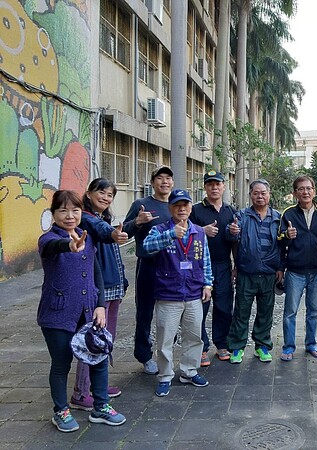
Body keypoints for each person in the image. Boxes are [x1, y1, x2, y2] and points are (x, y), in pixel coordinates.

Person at [38, 190, 126, 433]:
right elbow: (53, 247)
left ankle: (101, 406)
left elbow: (96, 272)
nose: (70, 215)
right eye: (63, 211)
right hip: (57, 314)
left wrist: (100, 305)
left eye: (75, 210)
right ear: (53, 214)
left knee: (98, 357)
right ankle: (61, 411)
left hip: (88, 312)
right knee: (61, 363)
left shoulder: (86, 237)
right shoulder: (47, 240)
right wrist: (68, 244)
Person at [143, 188, 213, 397]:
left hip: (193, 293)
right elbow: (147, 247)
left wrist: (208, 284)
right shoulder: (160, 229)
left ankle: (189, 371)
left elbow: (206, 261)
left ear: (191, 208)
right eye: (177, 205)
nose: (181, 209)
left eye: (185, 205)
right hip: (168, 294)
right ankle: (165, 376)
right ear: (170, 207)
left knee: (194, 337)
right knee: (165, 339)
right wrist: (171, 235)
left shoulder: (199, 232)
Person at [70, 178, 129, 411]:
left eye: (110, 195)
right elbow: (103, 232)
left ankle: (98, 387)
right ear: (89, 193)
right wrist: (113, 233)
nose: (105, 198)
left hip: (113, 287)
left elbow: (112, 237)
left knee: (104, 341)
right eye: (101, 193)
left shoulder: (104, 218)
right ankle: (80, 393)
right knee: (91, 342)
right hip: (97, 291)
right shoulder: (85, 218)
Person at [226, 179, 284, 364]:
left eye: (263, 193)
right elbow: (231, 235)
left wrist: (281, 268)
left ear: (269, 194)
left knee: (266, 312)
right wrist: (232, 230)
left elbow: (283, 246)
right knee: (241, 312)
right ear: (251, 195)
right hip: (246, 273)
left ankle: (262, 345)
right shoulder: (242, 216)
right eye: (256, 193)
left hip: (269, 273)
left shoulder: (278, 218)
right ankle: (236, 347)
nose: (260, 196)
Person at [123, 166, 174, 375]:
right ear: (152, 182)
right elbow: (123, 233)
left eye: (168, 178)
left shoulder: (176, 205)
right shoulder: (141, 205)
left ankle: (166, 353)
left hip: (171, 268)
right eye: (160, 178)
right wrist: (137, 221)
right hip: (148, 266)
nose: (164, 182)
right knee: (144, 312)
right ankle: (144, 355)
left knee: (170, 314)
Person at [278, 175, 317, 361]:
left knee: (314, 311)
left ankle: (311, 344)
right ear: (294, 193)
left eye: (309, 188)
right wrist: (287, 234)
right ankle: (288, 347)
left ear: (314, 191)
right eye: (301, 189)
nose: (305, 192)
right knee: (290, 312)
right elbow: (279, 240)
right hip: (295, 271)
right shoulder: (288, 214)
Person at [190, 170, 237, 366]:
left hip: (224, 265)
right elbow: (184, 233)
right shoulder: (195, 209)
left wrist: (236, 265)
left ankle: (222, 343)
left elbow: (236, 241)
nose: (214, 187)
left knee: (224, 307)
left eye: (217, 184)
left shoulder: (230, 210)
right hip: (200, 267)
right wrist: (202, 231)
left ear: (223, 187)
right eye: (210, 184)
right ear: (205, 187)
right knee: (199, 308)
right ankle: (201, 347)